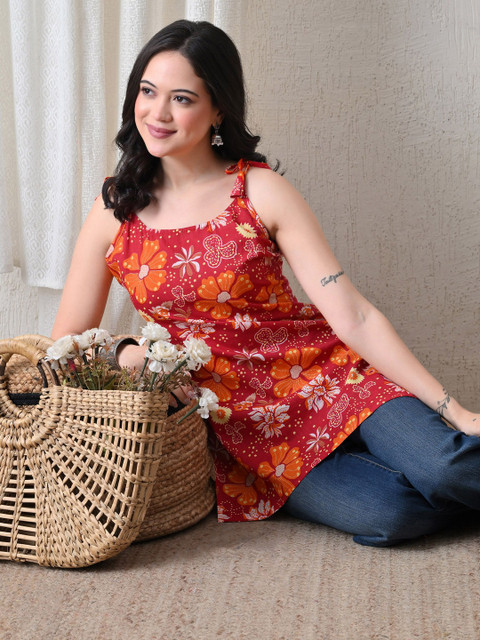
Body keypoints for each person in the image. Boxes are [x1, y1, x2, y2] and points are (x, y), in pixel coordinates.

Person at [52, 19, 480, 547]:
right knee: (392, 516)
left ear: (218, 109)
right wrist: (123, 351)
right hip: (246, 433)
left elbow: (354, 315)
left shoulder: (260, 189)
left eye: (182, 99)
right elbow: (63, 345)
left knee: (446, 469)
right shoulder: (114, 208)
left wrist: (455, 410)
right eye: (147, 91)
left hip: (330, 379)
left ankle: (432, 454)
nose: (157, 113)